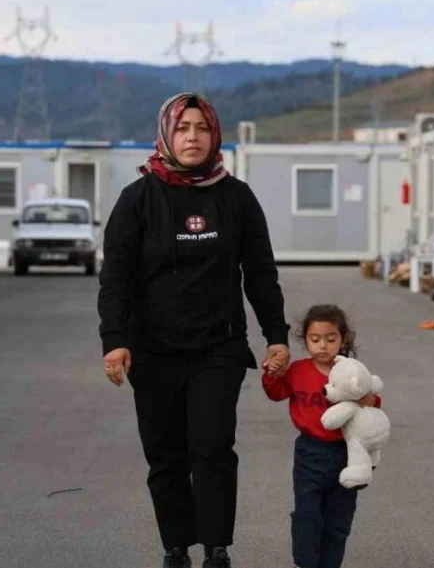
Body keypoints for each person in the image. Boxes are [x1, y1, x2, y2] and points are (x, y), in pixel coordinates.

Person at [98, 92, 292, 568]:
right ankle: (176, 548)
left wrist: (277, 335)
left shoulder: (237, 197)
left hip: (217, 348)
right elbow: (116, 280)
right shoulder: (138, 199)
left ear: (214, 135)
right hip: (154, 350)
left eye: (201, 128)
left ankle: (216, 548)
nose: (192, 137)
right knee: (165, 455)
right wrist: (115, 341)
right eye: (183, 128)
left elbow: (260, 272)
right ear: (167, 134)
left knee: (212, 447)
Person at [260, 304, 381, 568]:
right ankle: (306, 562)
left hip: (345, 454)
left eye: (330, 339)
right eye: (315, 339)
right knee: (307, 515)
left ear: (343, 339)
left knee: (338, 521)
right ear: (305, 340)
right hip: (309, 453)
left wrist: (370, 399)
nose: (323, 346)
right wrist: (273, 373)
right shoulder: (299, 371)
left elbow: (371, 402)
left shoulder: (351, 371)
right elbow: (276, 391)